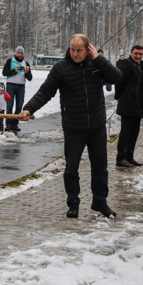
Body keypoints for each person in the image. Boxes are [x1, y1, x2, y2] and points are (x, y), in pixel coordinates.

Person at [20, 34, 122, 219]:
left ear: (88, 49)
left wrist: (99, 59)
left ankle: (100, 201)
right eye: (72, 49)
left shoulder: (97, 65)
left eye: (79, 50)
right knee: (71, 167)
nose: (75, 54)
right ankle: (73, 202)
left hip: (97, 125)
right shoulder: (61, 68)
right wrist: (28, 108)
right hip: (74, 127)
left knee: (100, 167)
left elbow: (116, 78)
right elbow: (45, 91)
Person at [114, 45, 143, 167]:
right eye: (136, 54)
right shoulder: (126, 64)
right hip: (127, 102)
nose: (138, 56)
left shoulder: (141, 65)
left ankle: (129, 156)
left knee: (134, 132)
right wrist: (118, 96)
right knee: (126, 132)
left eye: (140, 54)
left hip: (137, 104)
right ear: (131, 53)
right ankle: (120, 157)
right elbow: (120, 81)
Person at [2, 46, 32, 132]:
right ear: (16, 53)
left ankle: (14, 124)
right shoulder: (10, 61)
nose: (20, 55)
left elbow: (30, 78)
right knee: (9, 105)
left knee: (19, 106)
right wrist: (14, 70)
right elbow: (4, 73)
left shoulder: (26, 64)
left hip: (21, 87)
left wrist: (26, 73)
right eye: (18, 53)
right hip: (11, 85)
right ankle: (8, 124)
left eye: (21, 53)